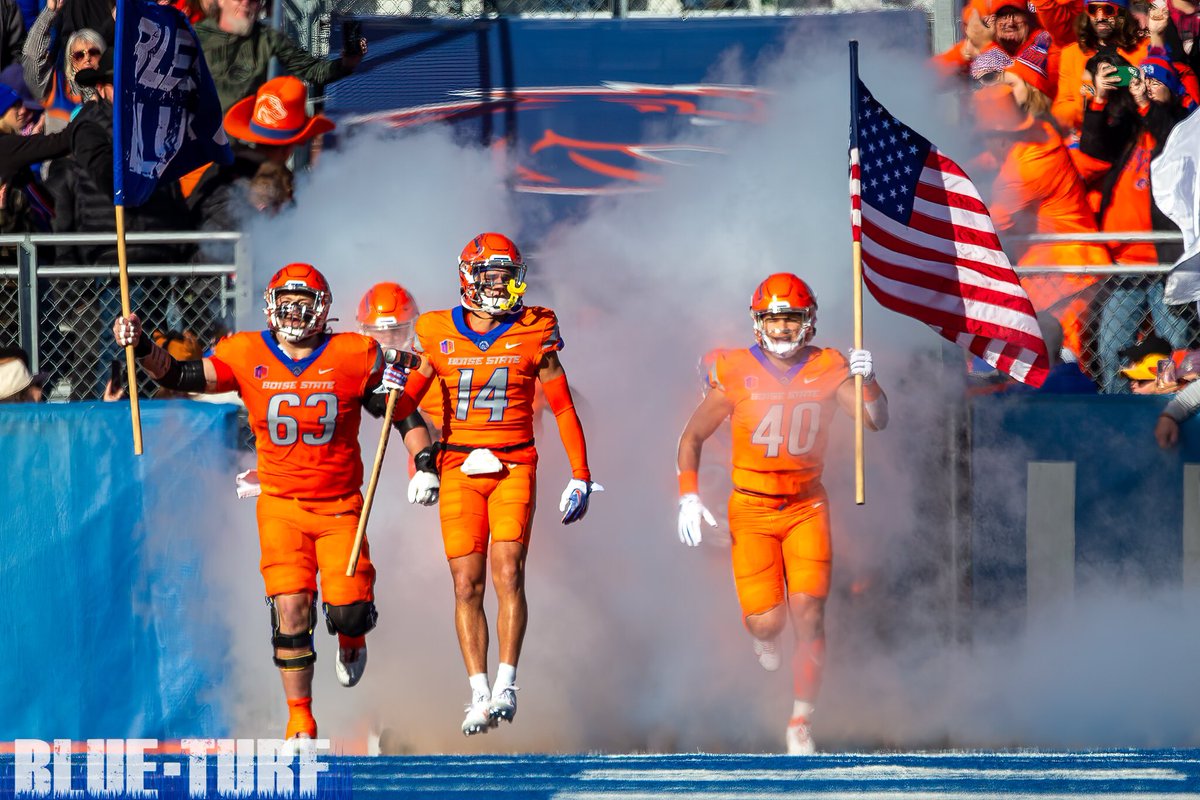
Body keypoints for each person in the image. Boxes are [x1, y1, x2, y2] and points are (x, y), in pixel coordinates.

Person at [111, 263, 414, 740]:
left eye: (304, 304)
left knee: (348, 610)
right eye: (287, 304)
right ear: (272, 307)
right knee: (291, 610)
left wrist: (426, 455)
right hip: (281, 504)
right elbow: (182, 373)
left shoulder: (353, 353)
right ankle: (301, 719)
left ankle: (352, 636)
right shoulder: (247, 350)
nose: (295, 313)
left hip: (339, 506)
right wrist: (143, 346)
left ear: (323, 311)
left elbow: (397, 409)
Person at [385, 232, 601, 736]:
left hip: (515, 462)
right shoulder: (436, 329)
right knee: (466, 583)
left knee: (508, 568)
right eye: (492, 275)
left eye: (508, 275)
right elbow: (407, 404)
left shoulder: (536, 326)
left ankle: (507, 682)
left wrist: (581, 474)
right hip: (458, 465)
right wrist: (395, 395)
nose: (503, 284)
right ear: (469, 278)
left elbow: (563, 405)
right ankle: (478, 691)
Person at [674, 273, 887, 756]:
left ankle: (801, 722)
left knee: (810, 614)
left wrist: (870, 382)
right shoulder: (732, 369)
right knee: (768, 623)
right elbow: (691, 438)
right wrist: (689, 495)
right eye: (775, 319)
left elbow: (875, 422)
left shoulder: (830, 365)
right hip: (750, 507)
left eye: (792, 319)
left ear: (809, 322)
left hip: (807, 505)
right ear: (757, 322)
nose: (784, 329)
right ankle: (763, 638)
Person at [356, 281, 439, 506]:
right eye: (380, 334)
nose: (388, 341)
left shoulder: (427, 363)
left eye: (396, 332)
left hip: (429, 472)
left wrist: (424, 462)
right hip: (363, 477)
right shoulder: (353, 364)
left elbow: (424, 423)